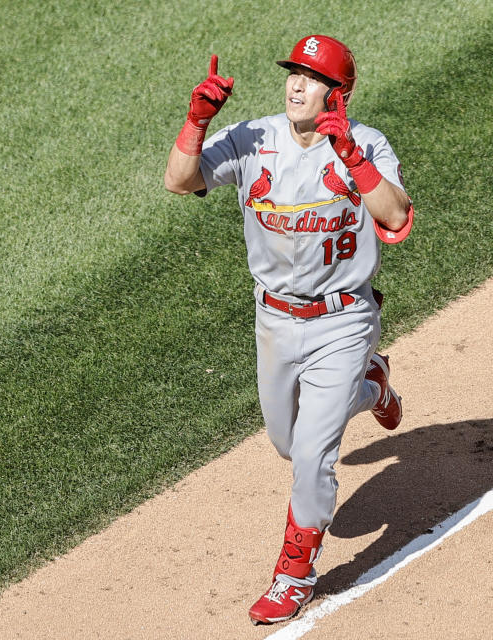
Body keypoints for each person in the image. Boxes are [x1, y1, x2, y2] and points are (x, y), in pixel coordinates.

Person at [164, 34, 414, 625]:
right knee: (285, 441)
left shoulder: (367, 145)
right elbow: (179, 181)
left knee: (311, 458)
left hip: (343, 319)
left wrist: (352, 157)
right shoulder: (256, 137)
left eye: (312, 77)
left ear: (339, 93)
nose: (297, 85)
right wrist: (197, 120)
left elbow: (396, 215)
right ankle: (371, 388)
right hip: (275, 318)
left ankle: (293, 575)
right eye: (293, 74)